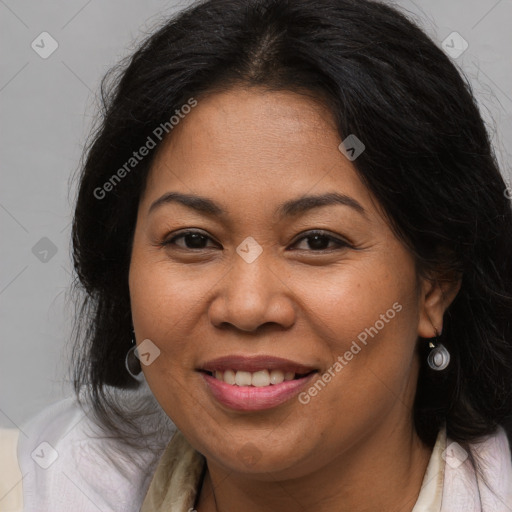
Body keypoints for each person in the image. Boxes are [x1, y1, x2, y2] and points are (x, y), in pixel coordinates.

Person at [1, 0, 512, 510]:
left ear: (435, 284)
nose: (246, 307)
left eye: (317, 241)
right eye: (193, 240)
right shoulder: (36, 487)